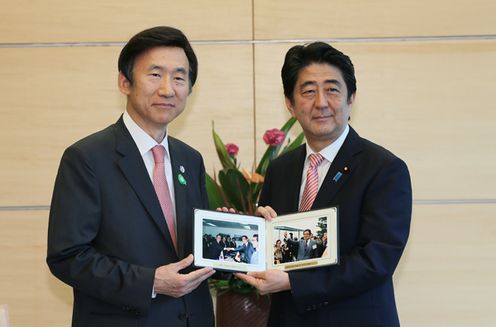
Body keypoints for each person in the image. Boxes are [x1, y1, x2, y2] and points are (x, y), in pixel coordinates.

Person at [46, 26, 216, 327]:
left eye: (179, 77)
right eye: (155, 75)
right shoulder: (87, 158)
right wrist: (150, 282)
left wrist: (227, 237)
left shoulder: (190, 160)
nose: (168, 89)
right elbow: (68, 256)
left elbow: (191, 252)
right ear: (125, 82)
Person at [235, 42, 412, 327]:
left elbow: (376, 260)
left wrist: (295, 282)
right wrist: (256, 233)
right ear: (290, 104)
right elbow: (280, 251)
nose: (321, 102)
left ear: (351, 97)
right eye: (308, 91)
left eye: (332, 89)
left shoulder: (384, 168)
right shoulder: (281, 168)